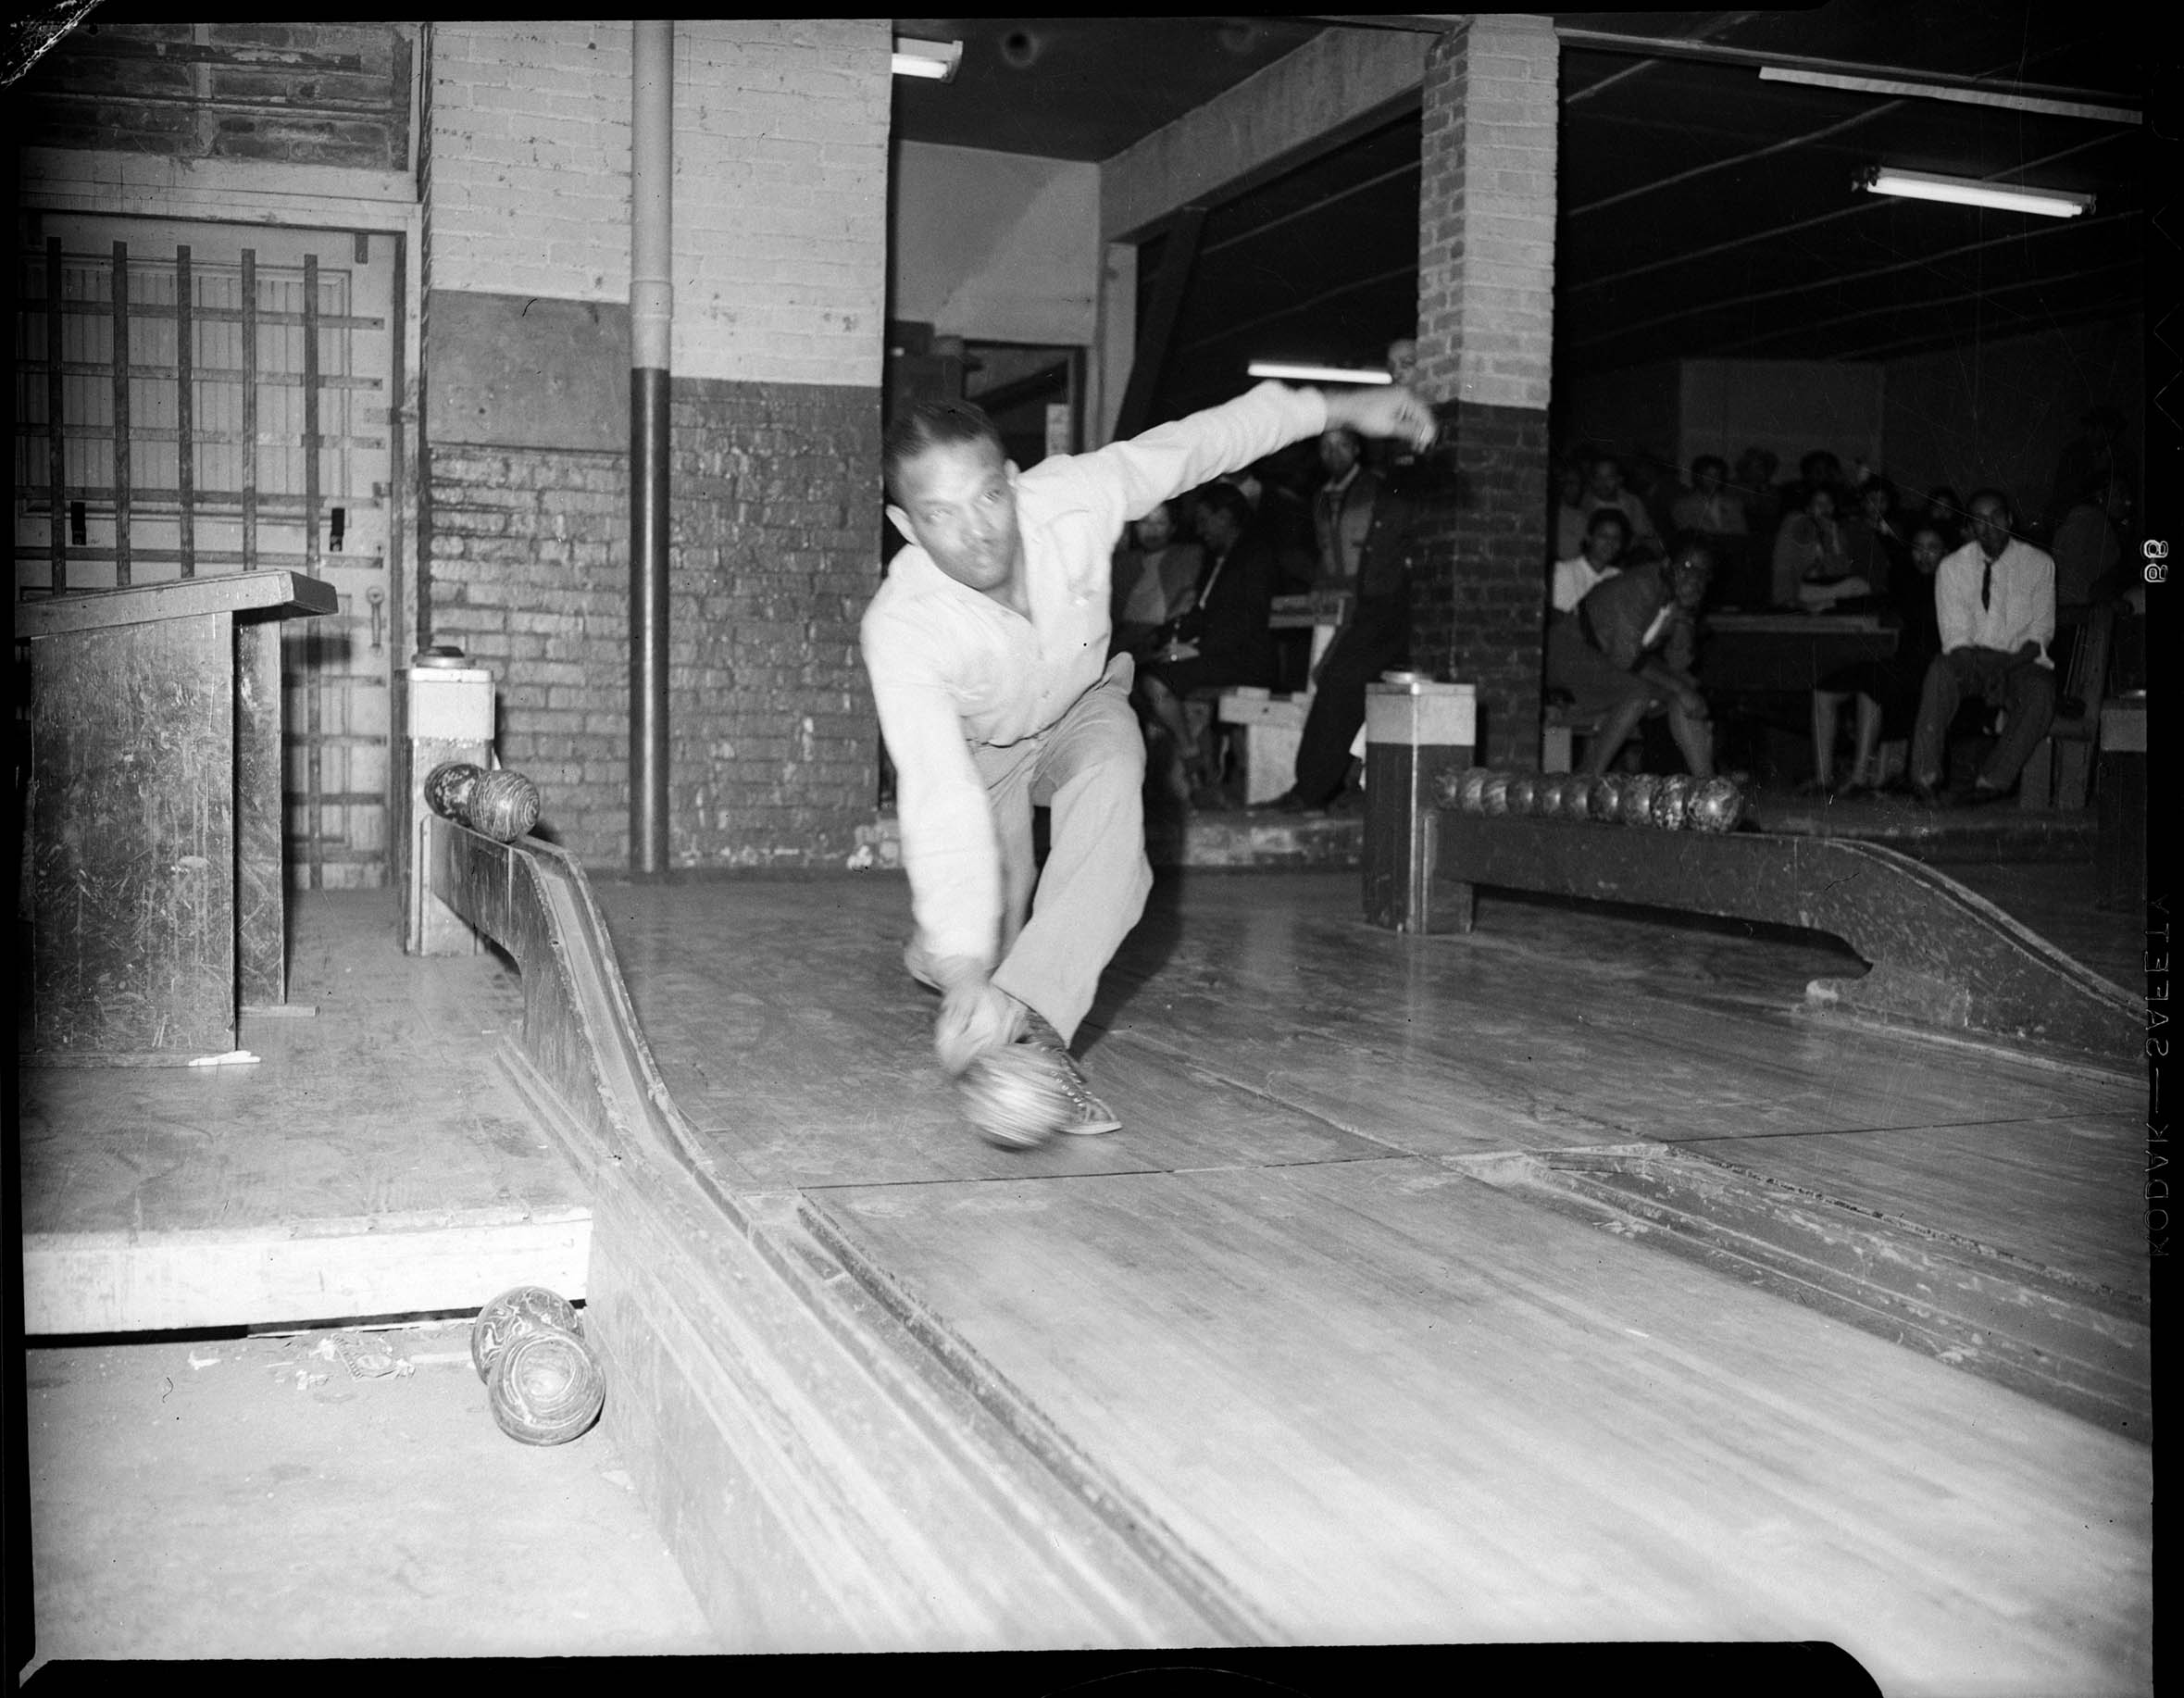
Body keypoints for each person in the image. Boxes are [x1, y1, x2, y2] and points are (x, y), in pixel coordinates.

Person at [865, 378, 1436, 1130]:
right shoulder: (902, 625)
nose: (977, 533)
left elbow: (1199, 442)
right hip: (984, 751)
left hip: (1080, 703)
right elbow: (939, 794)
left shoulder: (1072, 496)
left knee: (1111, 780)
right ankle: (951, 950)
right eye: (940, 514)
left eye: (987, 499)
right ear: (907, 525)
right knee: (985, 929)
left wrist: (1334, 409)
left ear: (1011, 482)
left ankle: (1037, 1032)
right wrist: (967, 967)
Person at [1267, 427, 1423, 811]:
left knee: (1338, 683)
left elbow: (1377, 559)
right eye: (1326, 448)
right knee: (1328, 682)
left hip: (1368, 602)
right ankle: (1325, 786)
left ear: (1356, 449)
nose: (1333, 455)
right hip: (1338, 599)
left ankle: (1326, 786)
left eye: (1341, 446)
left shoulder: (1379, 489)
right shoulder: (1321, 496)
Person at [1906, 490, 2056, 806]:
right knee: (1940, 671)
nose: (1990, 527)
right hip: (1970, 661)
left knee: (2040, 689)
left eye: (1996, 517)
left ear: (2010, 519)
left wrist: (2004, 668)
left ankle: (1991, 782)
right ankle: (1925, 778)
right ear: (1970, 528)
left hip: (2019, 661)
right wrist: (1986, 669)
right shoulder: (1952, 567)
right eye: (1979, 520)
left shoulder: (2039, 564)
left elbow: (2041, 634)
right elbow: (1955, 638)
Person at [1133, 481, 1279, 805]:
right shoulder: (1217, 559)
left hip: (1246, 658)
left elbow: (1247, 623)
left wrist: (1195, 649)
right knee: (1138, 677)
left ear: (1226, 517)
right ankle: (1194, 758)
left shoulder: (1254, 557)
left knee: (1156, 683)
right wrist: (1165, 634)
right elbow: (1202, 613)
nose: (1200, 530)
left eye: (1204, 520)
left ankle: (1192, 759)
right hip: (1219, 652)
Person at [1546, 541, 1716, 780]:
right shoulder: (1642, 585)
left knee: (1687, 692)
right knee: (1638, 693)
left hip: (1607, 660)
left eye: (1702, 573)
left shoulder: (1674, 599)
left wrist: (1684, 619)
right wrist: (1678, 686)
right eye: (1687, 566)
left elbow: (1677, 664)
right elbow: (1626, 655)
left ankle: (1706, 782)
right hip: (1571, 649)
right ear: (1668, 563)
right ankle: (1587, 776)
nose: (1693, 577)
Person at [1806, 524, 1947, 793]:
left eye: (1933, 548)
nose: (1924, 555)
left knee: (1874, 685)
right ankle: (1823, 780)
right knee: (1824, 689)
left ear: (1945, 552)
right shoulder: (1909, 580)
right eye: (1919, 548)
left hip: (1932, 668)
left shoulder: (1951, 581)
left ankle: (1859, 779)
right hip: (1901, 662)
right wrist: (1832, 606)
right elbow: (1883, 601)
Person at [1109, 501, 1201, 659]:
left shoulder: (1188, 556)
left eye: (1160, 523)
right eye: (1145, 522)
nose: (1152, 530)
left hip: (1161, 642)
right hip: (1122, 643)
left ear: (1172, 527)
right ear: (1135, 526)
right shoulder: (1122, 563)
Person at [2050, 477, 2131, 611]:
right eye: (2120, 494)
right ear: (2100, 496)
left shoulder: (2090, 521)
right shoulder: (2092, 523)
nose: (2127, 501)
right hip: (2080, 611)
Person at [1772, 483, 1853, 609]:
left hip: (1828, 595)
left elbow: (1839, 573)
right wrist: (1785, 600)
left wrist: (1832, 538)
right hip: (1798, 596)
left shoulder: (1838, 530)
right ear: (1808, 508)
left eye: (1829, 504)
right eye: (1819, 504)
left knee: (1859, 586)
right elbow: (1782, 566)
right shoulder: (1795, 523)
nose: (1825, 508)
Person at [1552, 507, 1628, 616]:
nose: (1610, 544)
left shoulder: (1617, 577)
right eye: (1604, 536)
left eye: (1616, 538)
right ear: (1589, 537)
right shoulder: (1563, 572)